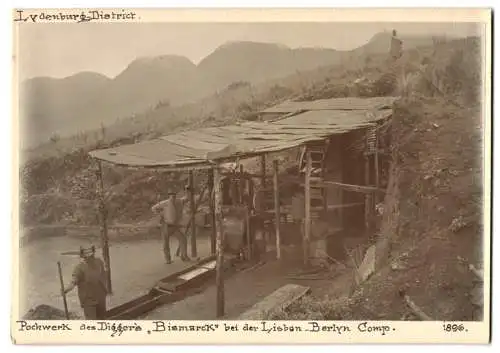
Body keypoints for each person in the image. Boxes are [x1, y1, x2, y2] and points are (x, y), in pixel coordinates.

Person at [63, 245, 108, 320]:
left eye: (91, 255)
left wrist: (104, 290)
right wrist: (66, 290)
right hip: (88, 300)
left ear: (93, 253)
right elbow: (73, 282)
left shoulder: (99, 262)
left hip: (100, 297)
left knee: (102, 319)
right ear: (83, 256)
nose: (89, 258)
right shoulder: (79, 268)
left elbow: (103, 276)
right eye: (87, 256)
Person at [152, 189, 190, 263]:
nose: (172, 196)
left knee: (182, 239)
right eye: (171, 195)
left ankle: (184, 256)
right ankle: (168, 259)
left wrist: (187, 190)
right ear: (169, 196)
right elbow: (153, 208)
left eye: (174, 195)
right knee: (165, 243)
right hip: (166, 225)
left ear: (175, 195)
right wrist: (161, 214)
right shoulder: (165, 203)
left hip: (174, 226)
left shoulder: (178, 201)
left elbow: (187, 198)